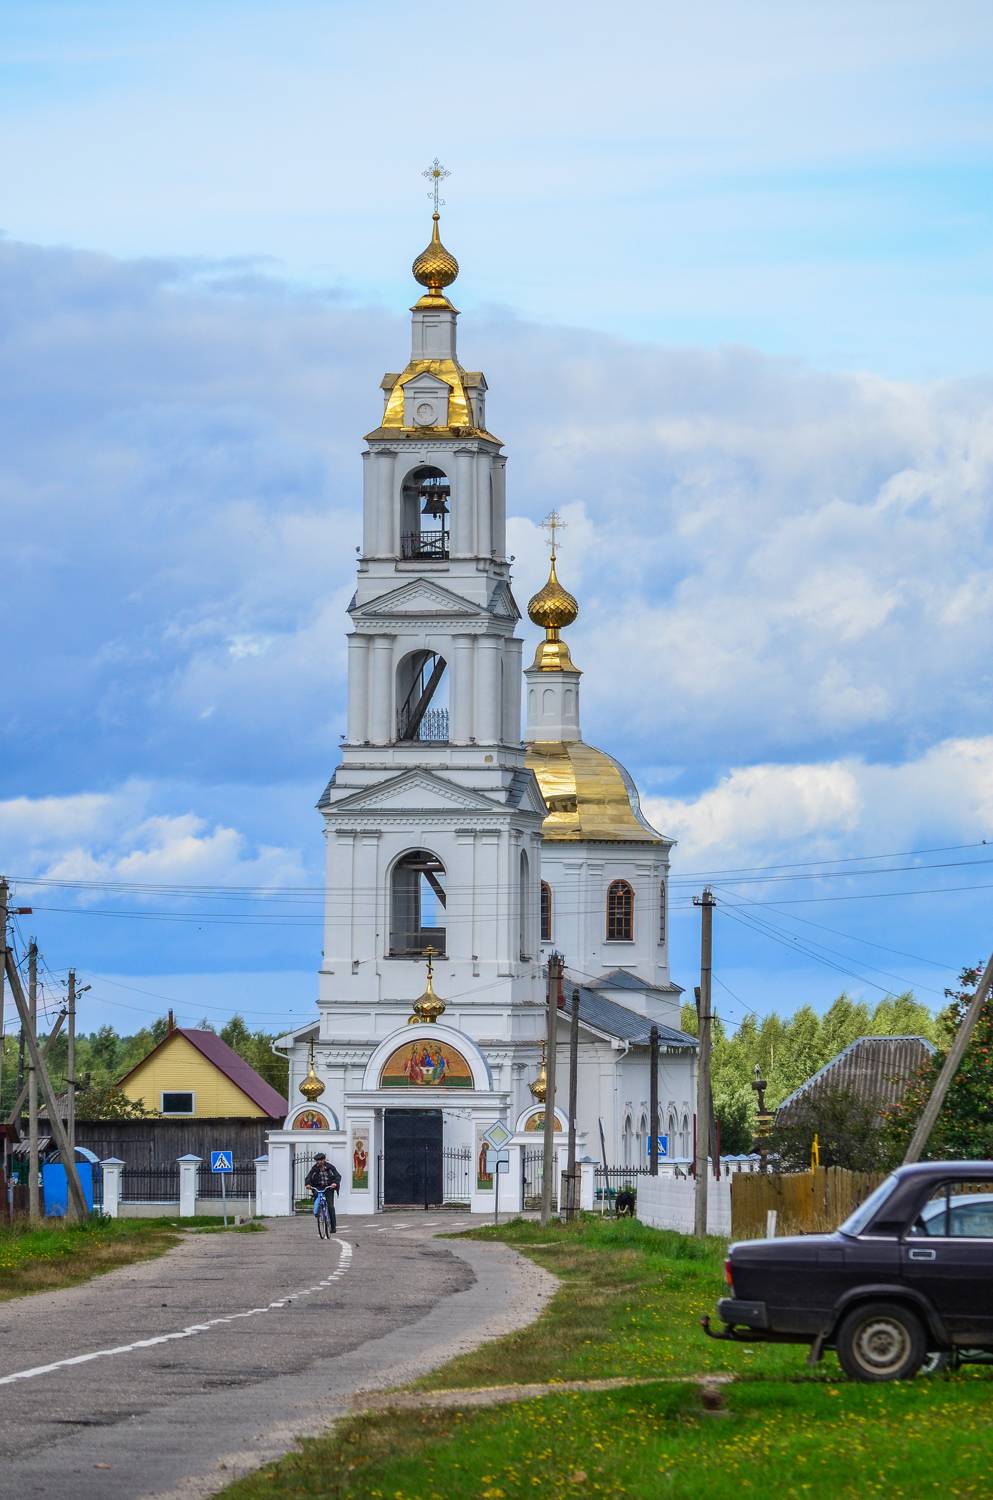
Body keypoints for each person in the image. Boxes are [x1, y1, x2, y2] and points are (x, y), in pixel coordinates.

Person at [304, 1152, 341, 1232]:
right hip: (318, 1187)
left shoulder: (330, 1167)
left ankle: (333, 1227)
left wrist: (335, 1183)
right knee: (317, 1197)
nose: (318, 1162)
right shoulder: (314, 1168)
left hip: (329, 1188)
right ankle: (317, 1211)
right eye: (317, 1160)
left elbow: (338, 1176)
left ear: (324, 1160)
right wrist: (308, 1184)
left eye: (320, 1160)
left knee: (330, 1206)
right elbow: (308, 1177)